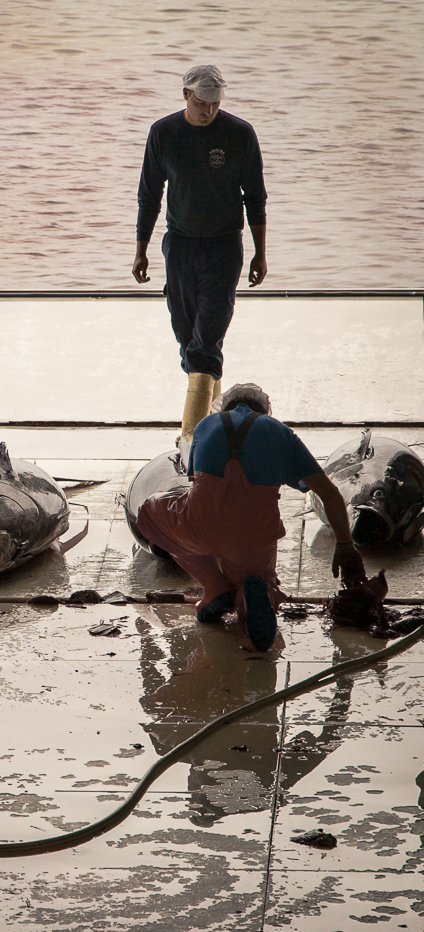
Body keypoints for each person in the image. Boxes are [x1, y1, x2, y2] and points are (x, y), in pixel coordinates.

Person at [136, 384, 367, 652]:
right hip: (254, 534)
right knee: (256, 576)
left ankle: (213, 586)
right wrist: (345, 546)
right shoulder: (280, 433)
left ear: (226, 406)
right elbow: (330, 494)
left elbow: (193, 481)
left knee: (150, 512)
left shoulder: (205, 425)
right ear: (265, 410)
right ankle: (251, 595)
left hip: (200, 524)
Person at [132, 65, 268, 445]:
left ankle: (192, 440)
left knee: (206, 341)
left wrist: (260, 253)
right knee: (188, 339)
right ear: (186, 96)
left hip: (224, 247)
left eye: (215, 103)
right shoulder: (164, 133)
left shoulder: (239, 134)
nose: (208, 110)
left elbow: (255, 197)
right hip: (179, 246)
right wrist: (141, 251)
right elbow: (149, 196)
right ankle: (219, 418)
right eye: (201, 102)